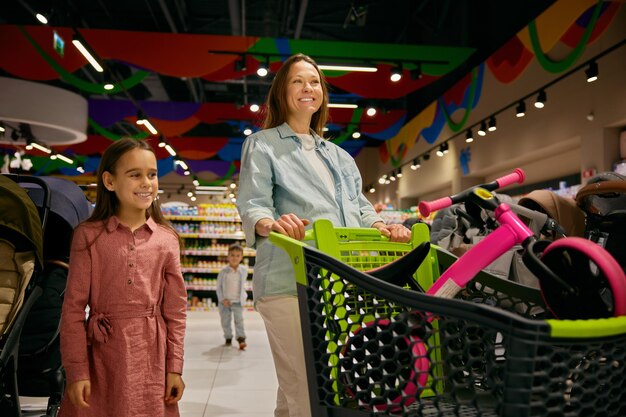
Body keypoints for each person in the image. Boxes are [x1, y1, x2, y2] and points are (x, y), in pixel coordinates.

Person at [236, 53, 411, 417]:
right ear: (281, 91)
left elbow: (361, 208)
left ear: (322, 94)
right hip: (288, 278)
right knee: (308, 387)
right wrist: (271, 223)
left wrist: (384, 226)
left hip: (338, 282)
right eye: (297, 81)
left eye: (314, 82)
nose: (307, 88)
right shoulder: (264, 144)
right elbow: (253, 203)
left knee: (299, 389)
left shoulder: (339, 156)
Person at [59, 138, 187, 417]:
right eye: (135, 174)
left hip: (152, 357)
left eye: (152, 174)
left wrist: (174, 367)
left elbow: (176, 312)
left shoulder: (166, 240)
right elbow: (72, 309)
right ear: (109, 181)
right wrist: (77, 369)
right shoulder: (88, 236)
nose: (146, 183)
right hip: (102, 356)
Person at [216, 243, 248, 350]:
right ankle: (228, 337)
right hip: (225, 302)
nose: (235, 258)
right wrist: (222, 299)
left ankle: (241, 339)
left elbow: (243, 285)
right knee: (225, 320)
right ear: (228, 256)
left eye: (238, 255)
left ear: (241, 257)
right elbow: (219, 287)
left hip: (238, 301)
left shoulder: (243, 271)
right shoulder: (223, 272)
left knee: (239, 320)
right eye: (232, 255)